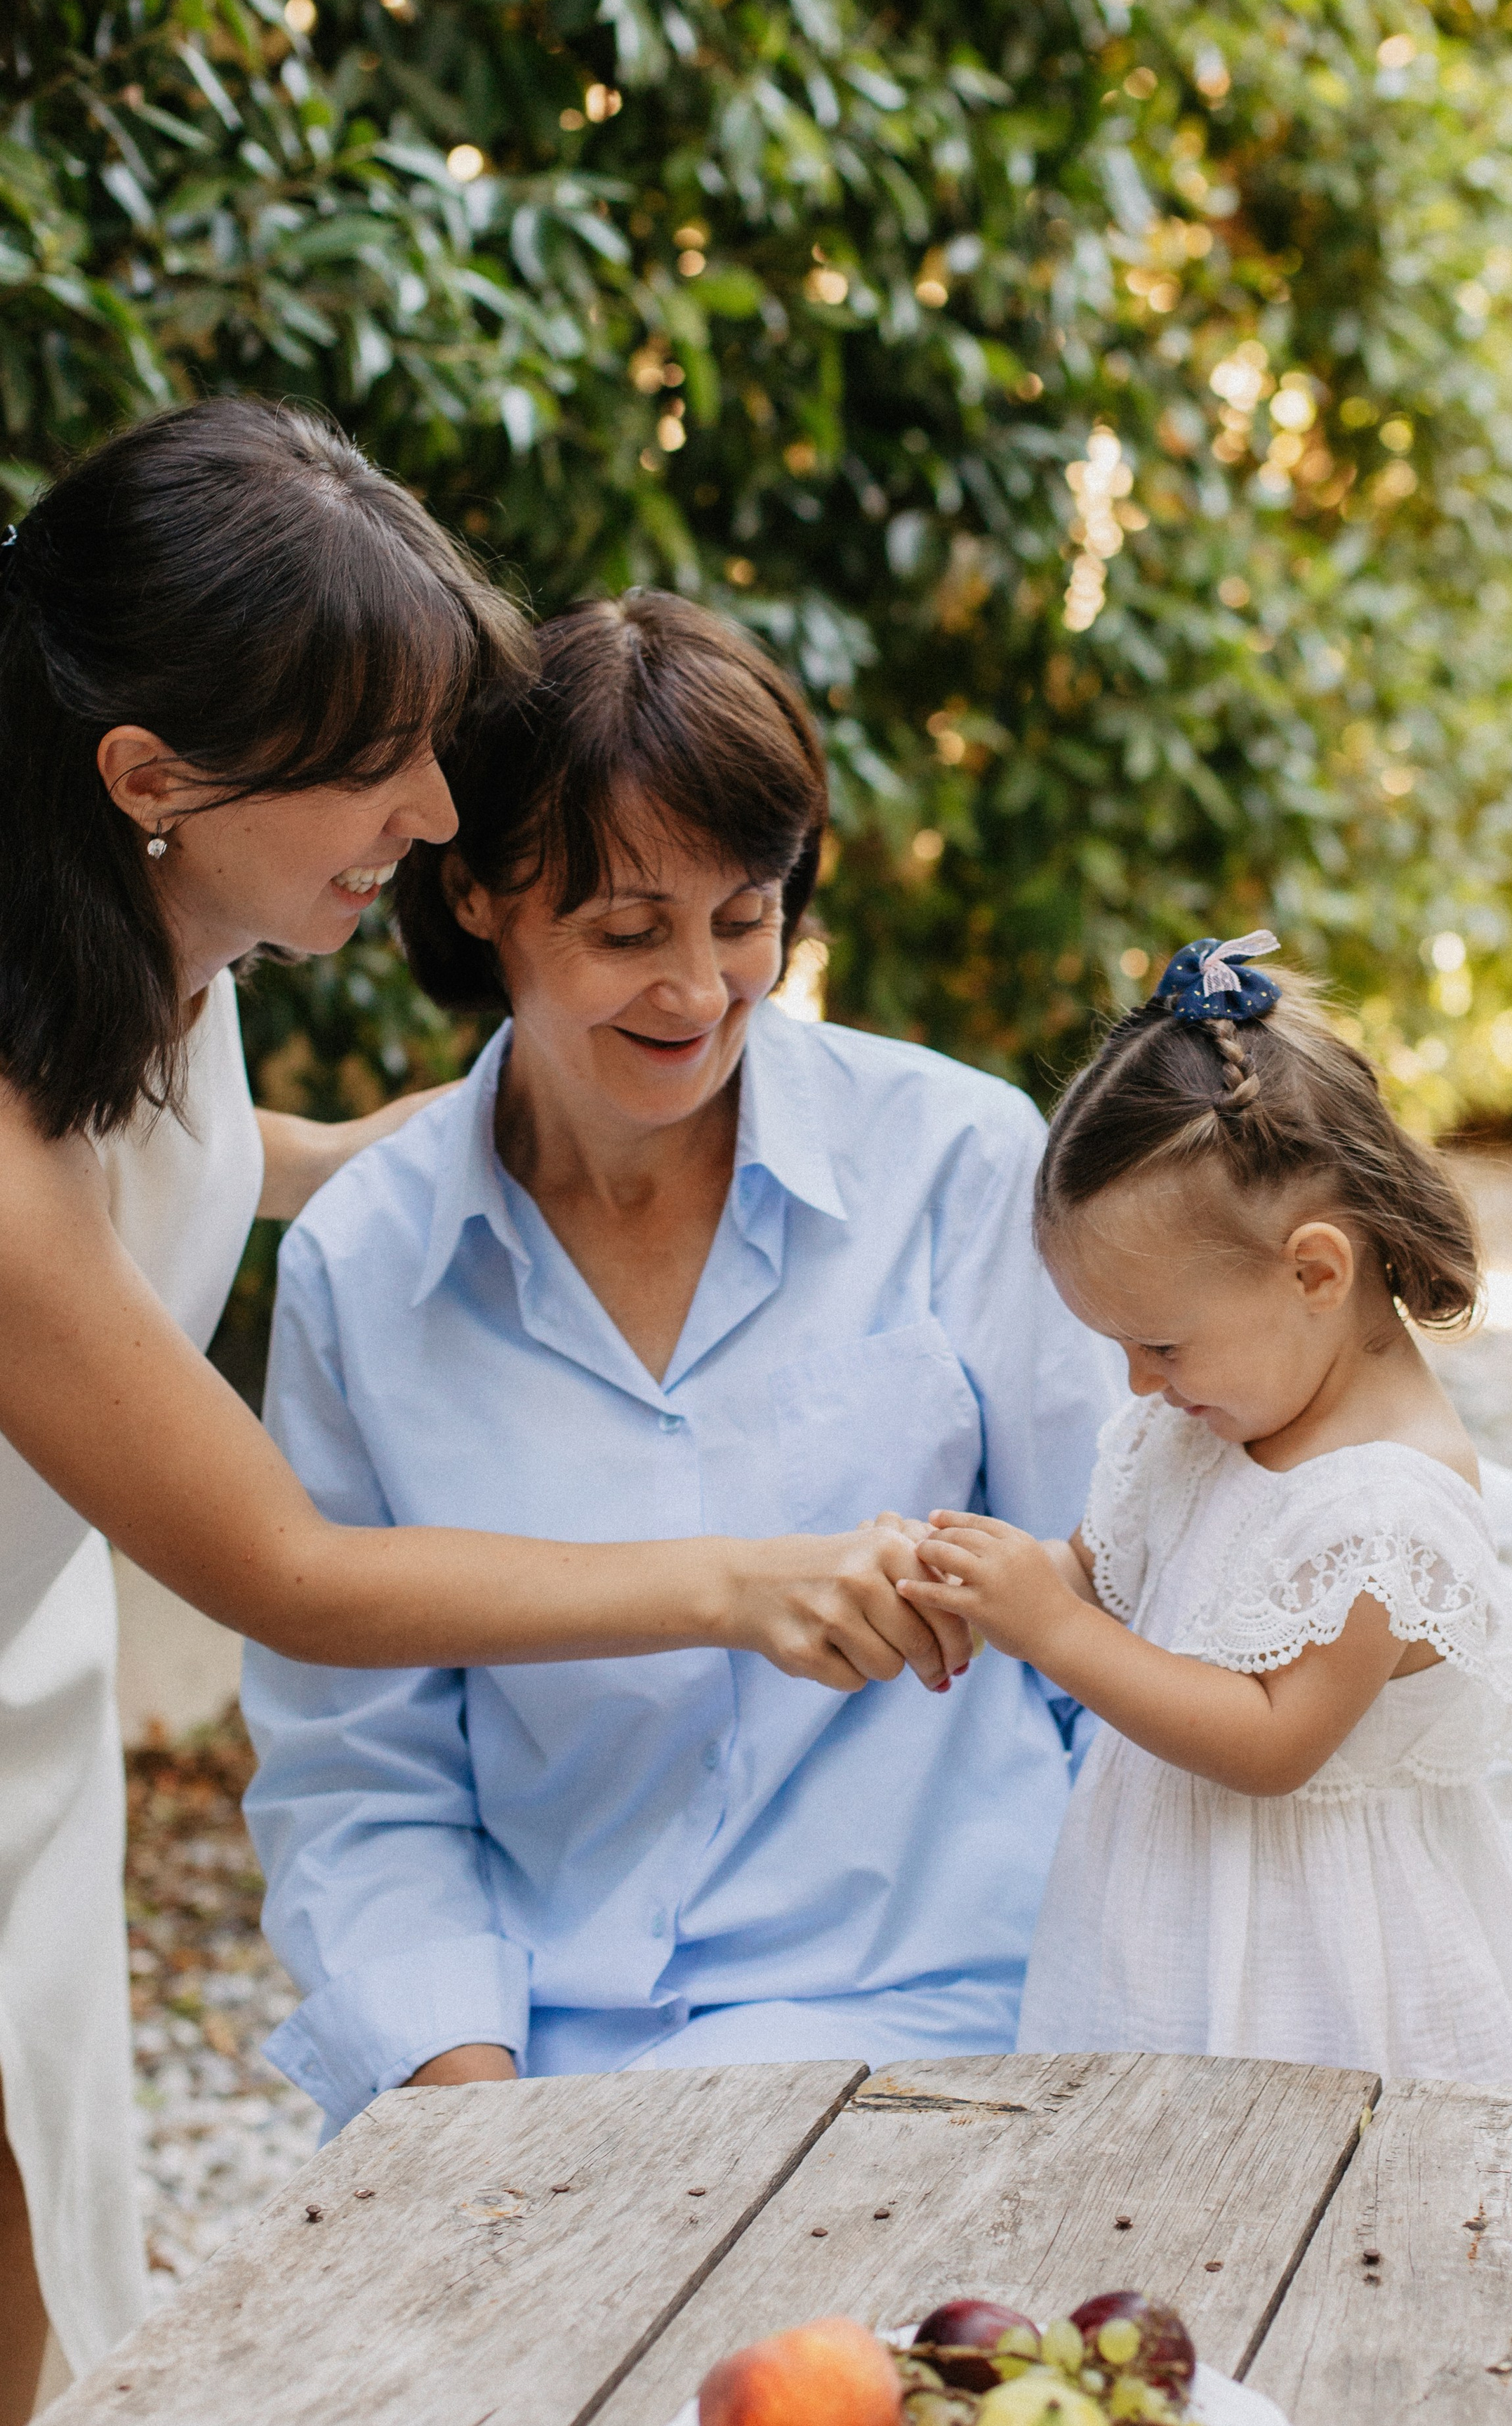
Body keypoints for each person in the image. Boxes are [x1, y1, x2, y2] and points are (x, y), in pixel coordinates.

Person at [0, 409, 965, 2426]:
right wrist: (739, 1578)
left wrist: (320, 1153)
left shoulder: (148, 929)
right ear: (153, 777)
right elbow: (293, 1576)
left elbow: (133, 1141)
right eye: (377, 761)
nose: (439, 809)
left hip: (34, 1697)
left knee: (46, 2276)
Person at [239, 591, 1121, 2132]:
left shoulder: (959, 1164)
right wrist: (469, 2098)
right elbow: (357, 1772)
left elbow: (1114, 1633)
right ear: (477, 898)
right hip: (524, 2056)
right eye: (626, 932)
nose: (702, 993)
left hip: (936, 2032)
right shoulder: (364, 1266)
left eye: (745, 916)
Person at [899, 934, 1512, 2085]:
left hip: (1325, 1983)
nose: (1139, 1384)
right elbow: (1102, 1577)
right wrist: (984, 1578)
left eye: (1158, 1342)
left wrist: (1054, 1635)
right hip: (1167, 1931)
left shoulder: (1386, 1502)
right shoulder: (1211, 1418)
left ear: (1315, 1273)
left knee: (1313, 2221)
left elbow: (1270, 1743)